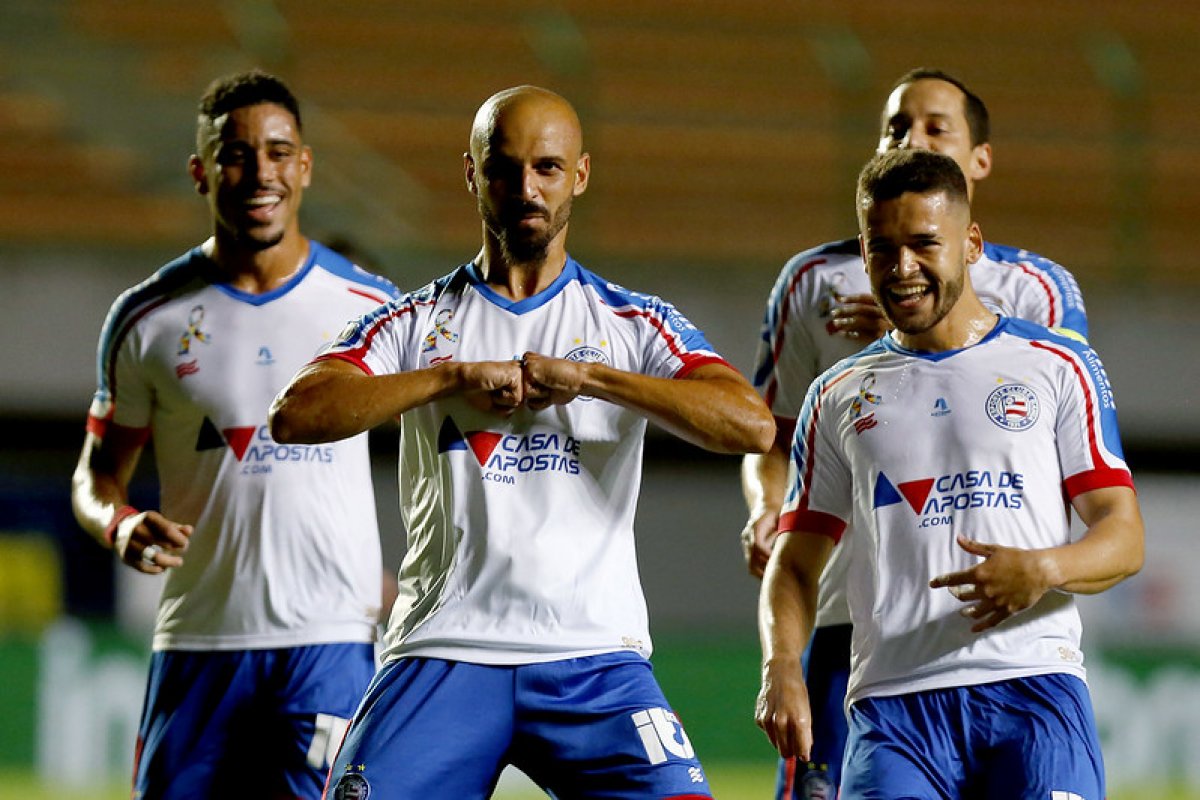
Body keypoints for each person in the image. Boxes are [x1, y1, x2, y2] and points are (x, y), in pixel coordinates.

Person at [268, 84, 775, 798]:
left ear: (581, 174)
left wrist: (594, 379)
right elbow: (296, 414)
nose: (527, 188)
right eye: (504, 169)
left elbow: (751, 424)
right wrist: (448, 378)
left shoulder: (632, 323)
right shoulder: (415, 321)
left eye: (547, 168)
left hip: (594, 658)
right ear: (472, 174)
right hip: (442, 649)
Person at [740, 67, 1090, 798]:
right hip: (855, 608)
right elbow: (773, 434)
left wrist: (928, 322)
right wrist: (767, 508)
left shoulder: (1037, 291)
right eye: (897, 127)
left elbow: (1057, 429)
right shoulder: (814, 281)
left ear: (980, 160)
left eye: (936, 127)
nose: (913, 138)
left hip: (1004, 632)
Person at [70, 70, 399, 798]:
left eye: (278, 153)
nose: (260, 173)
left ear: (305, 166)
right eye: (236, 155)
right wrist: (120, 525)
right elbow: (95, 477)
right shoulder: (146, 318)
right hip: (198, 644)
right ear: (201, 172)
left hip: (328, 642)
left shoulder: (371, 306)